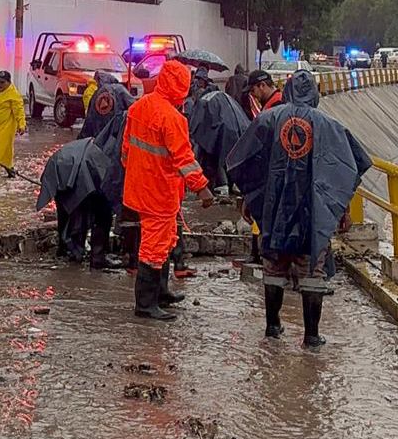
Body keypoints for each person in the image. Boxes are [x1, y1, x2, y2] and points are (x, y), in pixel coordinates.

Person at [227, 70, 371, 347]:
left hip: (274, 208)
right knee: (312, 271)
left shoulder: (268, 120)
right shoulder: (329, 126)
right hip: (313, 212)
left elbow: (245, 161)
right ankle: (311, 335)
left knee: (274, 266)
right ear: (315, 94)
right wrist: (342, 210)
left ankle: (272, 327)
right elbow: (344, 170)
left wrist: (249, 198)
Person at [122, 59, 214, 320]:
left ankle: (161, 293)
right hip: (159, 192)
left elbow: (126, 150)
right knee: (154, 246)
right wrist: (202, 188)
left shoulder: (139, 107)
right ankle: (146, 304)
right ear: (182, 85)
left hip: (140, 188)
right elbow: (184, 158)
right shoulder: (173, 118)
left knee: (164, 241)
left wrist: (137, 173)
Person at [37, 138, 114, 269]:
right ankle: (95, 257)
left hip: (62, 167)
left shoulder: (98, 147)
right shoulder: (108, 157)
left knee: (68, 212)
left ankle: (65, 250)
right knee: (102, 214)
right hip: (76, 170)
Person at [189, 91, 251, 192]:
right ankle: (234, 183)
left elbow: (195, 125)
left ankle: (223, 184)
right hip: (239, 129)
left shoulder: (204, 101)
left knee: (218, 156)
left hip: (221, 131)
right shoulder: (224, 97)